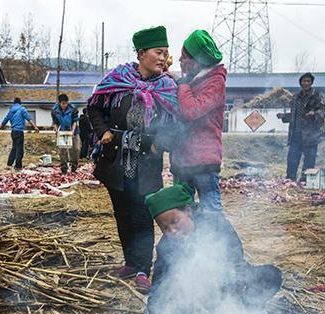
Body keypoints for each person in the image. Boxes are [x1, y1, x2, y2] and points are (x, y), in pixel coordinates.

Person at [87, 26, 180, 292]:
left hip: (146, 164)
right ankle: (130, 262)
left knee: (142, 215)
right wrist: (103, 131)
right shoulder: (117, 80)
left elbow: (175, 126)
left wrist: (158, 143)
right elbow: (94, 108)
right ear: (141, 53)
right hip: (116, 160)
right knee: (123, 213)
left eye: (166, 53)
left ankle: (142, 269)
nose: (164, 58)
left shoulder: (167, 88)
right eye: (158, 52)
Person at [145, 183, 282, 314]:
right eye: (165, 228)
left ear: (188, 211)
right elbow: (157, 292)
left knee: (270, 275)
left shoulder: (217, 225)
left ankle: (245, 313)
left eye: (175, 221)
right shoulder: (165, 247)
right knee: (179, 300)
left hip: (228, 288)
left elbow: (236, 264)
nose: (172, 231)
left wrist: (225, 288)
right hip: (193, 297)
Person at [171, 29, 227, 213]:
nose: (179, 61)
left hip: (203, 160)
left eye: (183, 58)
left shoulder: (215, 82)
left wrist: (182, 84)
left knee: (211, 212)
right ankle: (188, 244)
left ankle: (224, 242)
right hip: (182, 160)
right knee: (181, 213)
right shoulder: (193, 80)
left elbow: (191, 110)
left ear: (197, 61)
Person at [277, 73, 325, 181]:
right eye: (304, 81)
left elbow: (323, 111)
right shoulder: (296, 97)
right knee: (292, 159)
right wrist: (284, 116)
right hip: (296, 134)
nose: (306, 83)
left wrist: (314, 113)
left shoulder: (317, 95)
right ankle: (290, 181)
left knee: (309, 161)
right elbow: (295, 115)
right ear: (300, 83)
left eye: (308, 81)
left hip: (311, 135)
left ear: (311, 83)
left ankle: (305, 182)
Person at [0, 97, 39, 170]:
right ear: (20, 102)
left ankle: (9, 163)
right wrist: (35, 127)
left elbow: (5, 121)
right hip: (19, 132)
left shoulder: (11, 110)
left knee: (14, 148)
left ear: (14, 103)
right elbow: (29, 118)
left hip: (13, 132)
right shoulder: (22, 109)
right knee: (19, 150)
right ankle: (18, 166)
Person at [51, 93, 80, 173]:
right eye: (63, 103)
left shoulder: (73, 109)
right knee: (62, 150)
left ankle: (74, 166)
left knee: (76, 149)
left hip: (73, 131)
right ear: (59, 103)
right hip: (62, 131)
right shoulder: (55, 110)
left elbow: (75, 121)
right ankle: (64, 167)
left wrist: (72, 131)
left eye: (66, 103)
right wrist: (57, 131)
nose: (65, 105)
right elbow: (55, 122)